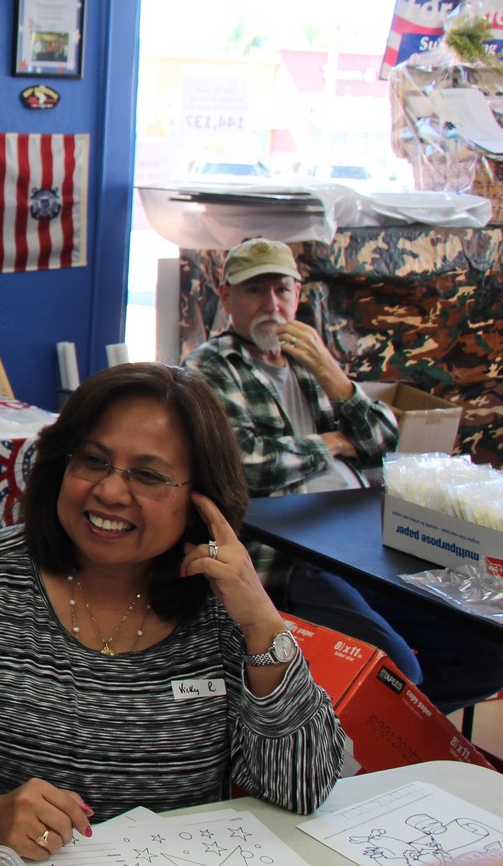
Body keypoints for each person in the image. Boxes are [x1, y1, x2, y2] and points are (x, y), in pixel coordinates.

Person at [0, 362, 346, 858]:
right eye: (93, 461)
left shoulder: (221, 605)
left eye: (148, 475)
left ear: (200, 497)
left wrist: (262, 625)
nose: (110, 492)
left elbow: (302, 789)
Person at [182, 237, 503, 715]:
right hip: (289, 556)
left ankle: (380, 724)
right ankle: (377, 718)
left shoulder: (312, 358)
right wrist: (332, 443)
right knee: (397, 675)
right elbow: (245, 463)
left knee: (488, 649)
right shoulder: (210, 366)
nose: (272, 305)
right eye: (255, 292)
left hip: (364, 545)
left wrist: (338, 379)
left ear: (298, 295)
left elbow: (389, 447)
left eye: (282, 290)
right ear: (227, 299)